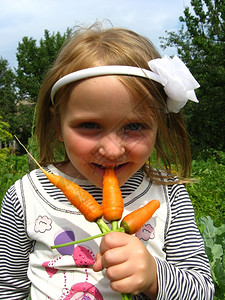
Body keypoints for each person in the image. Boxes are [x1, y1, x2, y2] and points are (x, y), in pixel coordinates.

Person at [0, 23, 214, 300]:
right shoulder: (25, 196)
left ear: (159, 125)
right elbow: (7, 290)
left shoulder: (169, 192)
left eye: (135, 127)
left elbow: (202, 290)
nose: (112, 150)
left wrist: (153, 277)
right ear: (57, 125)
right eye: (89, 125)